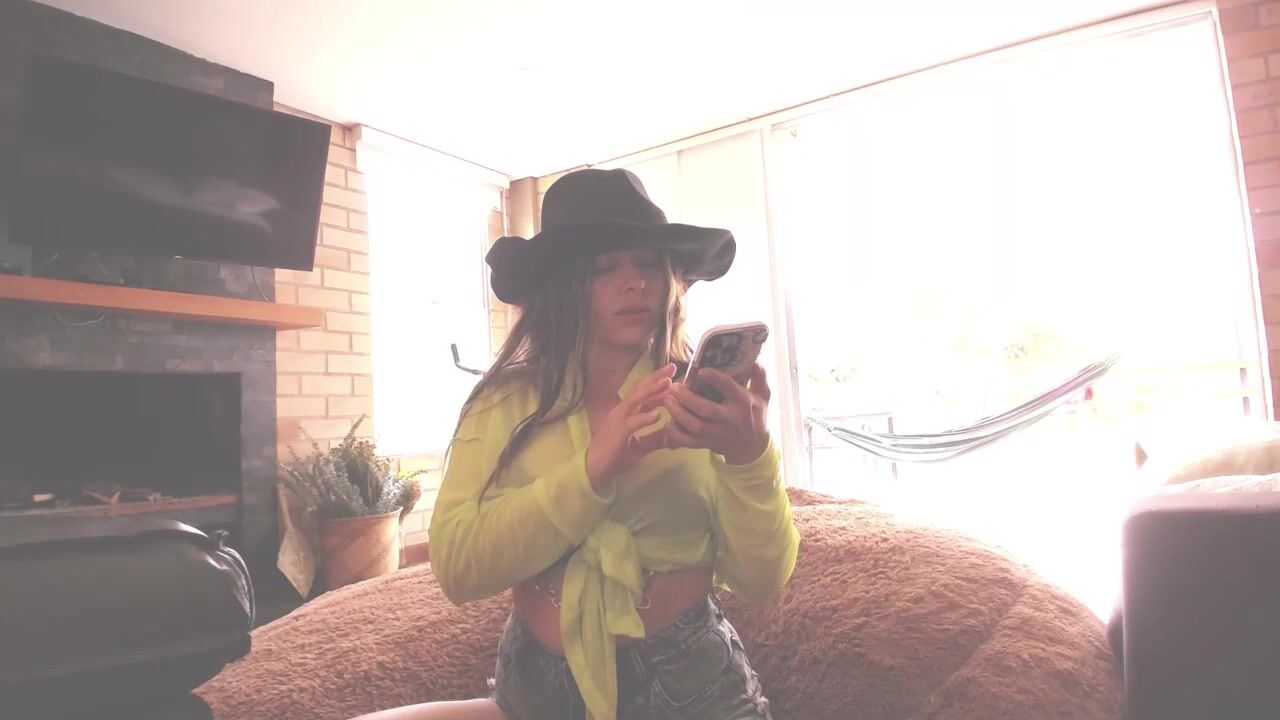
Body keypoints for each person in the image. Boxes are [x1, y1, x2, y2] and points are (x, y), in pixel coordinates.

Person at [354, 168, 800, 720]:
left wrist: (751, 459)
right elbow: (458, 567)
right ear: (562, 285)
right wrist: (593, 468)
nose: (634, 283)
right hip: (536, 690)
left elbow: (762, 580)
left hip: (691, 687)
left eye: (647, 264)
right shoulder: (503, 402)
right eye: (603, 268)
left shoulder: (699, 400)